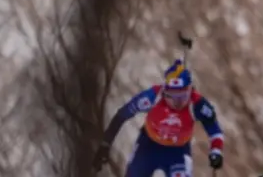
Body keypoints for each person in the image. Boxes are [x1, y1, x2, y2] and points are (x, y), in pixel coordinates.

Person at [92, 59, 224, 177]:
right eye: (172, 97)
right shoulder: (152, 97)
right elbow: (122, 115)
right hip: (149, 145)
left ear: (190, 90)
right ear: (165, 91)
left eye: (182, 96)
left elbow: (215, 130)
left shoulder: (197, 104)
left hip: (178, 151)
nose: (177, 103)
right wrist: (106, 144)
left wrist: (216, 152)